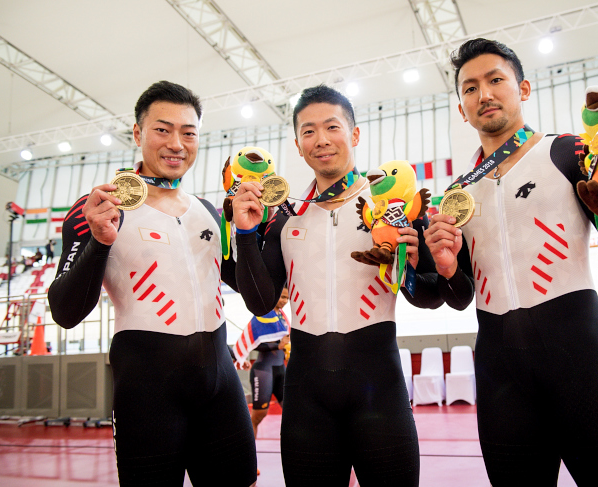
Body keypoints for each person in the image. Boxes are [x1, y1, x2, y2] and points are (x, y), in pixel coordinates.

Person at [424, 39, 598, 486]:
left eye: (496, 80)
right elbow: (459, 299)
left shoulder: (571, 152)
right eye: (471, 88)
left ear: (524, 89)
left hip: (582, 360)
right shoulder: (457, 194)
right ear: (462, 108)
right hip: (500, 375)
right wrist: (445, 268)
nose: (485, 94)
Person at [231, 84, 443, 486]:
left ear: (355, 134)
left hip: (379, 392)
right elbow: (260, 302)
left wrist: (413, 264)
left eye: (332, 127)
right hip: (306, 401)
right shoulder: (287, 216)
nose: (321, 140)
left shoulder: (391, 205)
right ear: (297, 144)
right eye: (309, 131)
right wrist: (245, 234)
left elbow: (430, 297)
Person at [47, 81, 257, 487]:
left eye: (189, 132)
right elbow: (65, 312)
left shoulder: (208, 211)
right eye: (163, 129)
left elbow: (251, 286)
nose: (177, 143)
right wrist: (100, 241)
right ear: (138, 133)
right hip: (147, 393)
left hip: (221, 385)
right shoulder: (99, 207)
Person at [247, 286, 290, 438]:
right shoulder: (263, 315)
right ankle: (249, 452)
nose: (284, 301)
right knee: (258, 415)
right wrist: (278, 344)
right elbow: (253, 343)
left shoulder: (282, 316)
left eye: (287, 298)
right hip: (264, 371)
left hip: (280, 369)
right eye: (282, 297)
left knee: (292, 413)